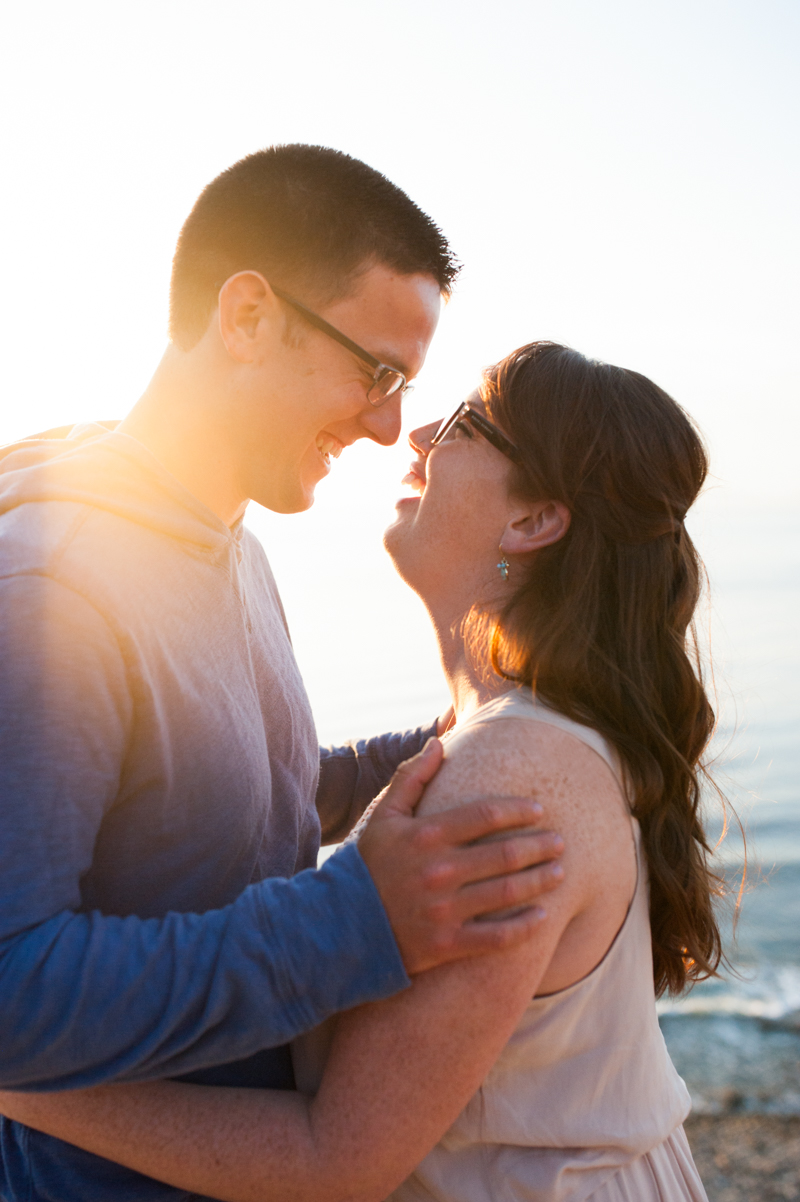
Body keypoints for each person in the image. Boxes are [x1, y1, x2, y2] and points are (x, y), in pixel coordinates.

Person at [1, 341, 722, 1201]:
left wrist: (23, 1082)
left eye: (464, 422)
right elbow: (269, 785)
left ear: (532, 522)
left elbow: (334, 1161)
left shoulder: (512, 776)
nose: (413, 433)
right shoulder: (517, 740)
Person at [0, 148, 566, 1202]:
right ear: (249, 316)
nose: (390, 425)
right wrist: (353, 924)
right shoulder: (55, 589)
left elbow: (213, 802)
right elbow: (9, 989)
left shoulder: (226, 542)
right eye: (377, 371)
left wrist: (480, 729)